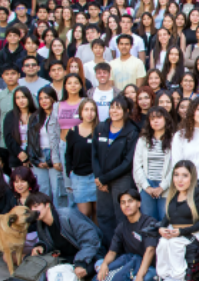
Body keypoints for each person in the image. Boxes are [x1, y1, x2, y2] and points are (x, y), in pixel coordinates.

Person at [93, 189, 159, 281]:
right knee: (99, 263)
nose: (126, 205)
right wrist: (104, 264)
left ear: (139, 203)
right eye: (123, 203)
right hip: (130, 265)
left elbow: (150, 251)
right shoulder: (121, 226)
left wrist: (140, 276)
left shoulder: (149, 222)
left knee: (146, 278)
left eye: (130, 201)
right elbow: (112, 251)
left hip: (148, 267)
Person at [27, 191, 105, 281]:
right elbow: (47, 242)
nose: (33, 211)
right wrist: (41, 246)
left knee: (80, 271)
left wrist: (81, 262)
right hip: (66, 257)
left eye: (36, 206)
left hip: (89, 255)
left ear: (47, 205)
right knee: (32, 262)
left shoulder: (67, 215)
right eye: (31, 208)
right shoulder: (40, 224)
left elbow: (90, 239)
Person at [91, 97, 138, 243]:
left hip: (121, 180)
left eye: (118, 108)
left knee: (121, 215)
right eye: (112, 107)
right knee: (104, 215)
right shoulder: (101, 128)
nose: (114, 111)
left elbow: (127, 162)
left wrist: (105, 179)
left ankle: (123, 248)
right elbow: (94, 154)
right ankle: (108, 248)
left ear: (126, 111)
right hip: (102, 180)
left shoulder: (132, 131)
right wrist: (100, 178)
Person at [133, 106, 173, 222]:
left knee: (164, 221)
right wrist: (147, 187)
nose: (155, 121)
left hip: (166, 186)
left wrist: (162, 187)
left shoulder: (174, 140)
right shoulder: (143, 140)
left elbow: (175, 167)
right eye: (152, 118)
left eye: (159, 117)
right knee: (149, 222)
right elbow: (137, 166)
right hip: (147, 186)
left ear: (166, 119)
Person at [65, 98, 98, 222]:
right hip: (79, 178)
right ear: (81, 112)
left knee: (97, 212)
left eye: (92, 110)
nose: (89, 113)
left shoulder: (100, 131)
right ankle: (85, 240)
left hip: (96, 177)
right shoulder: (73, 132)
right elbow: (68, 154)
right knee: (84, 214)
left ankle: (97, 240)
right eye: (86, 110)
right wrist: (70, 171)